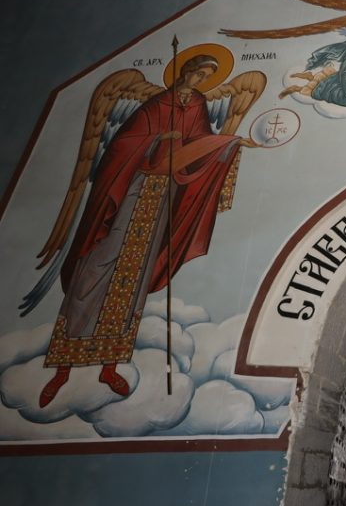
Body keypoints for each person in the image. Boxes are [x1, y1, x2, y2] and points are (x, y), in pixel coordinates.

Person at [38, 55, 258, 407]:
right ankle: (61, 371)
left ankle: (109, 366)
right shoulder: (155, 103)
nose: (200, 79)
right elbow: (122, 146)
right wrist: (158, 139)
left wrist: (227, 144)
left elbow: (200, 144)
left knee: (133, 281)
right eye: (198, 72)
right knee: (94, 270)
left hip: (160, 203)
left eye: (206, 75)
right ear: (184, 70)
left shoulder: (198, 104)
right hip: (129, 193)